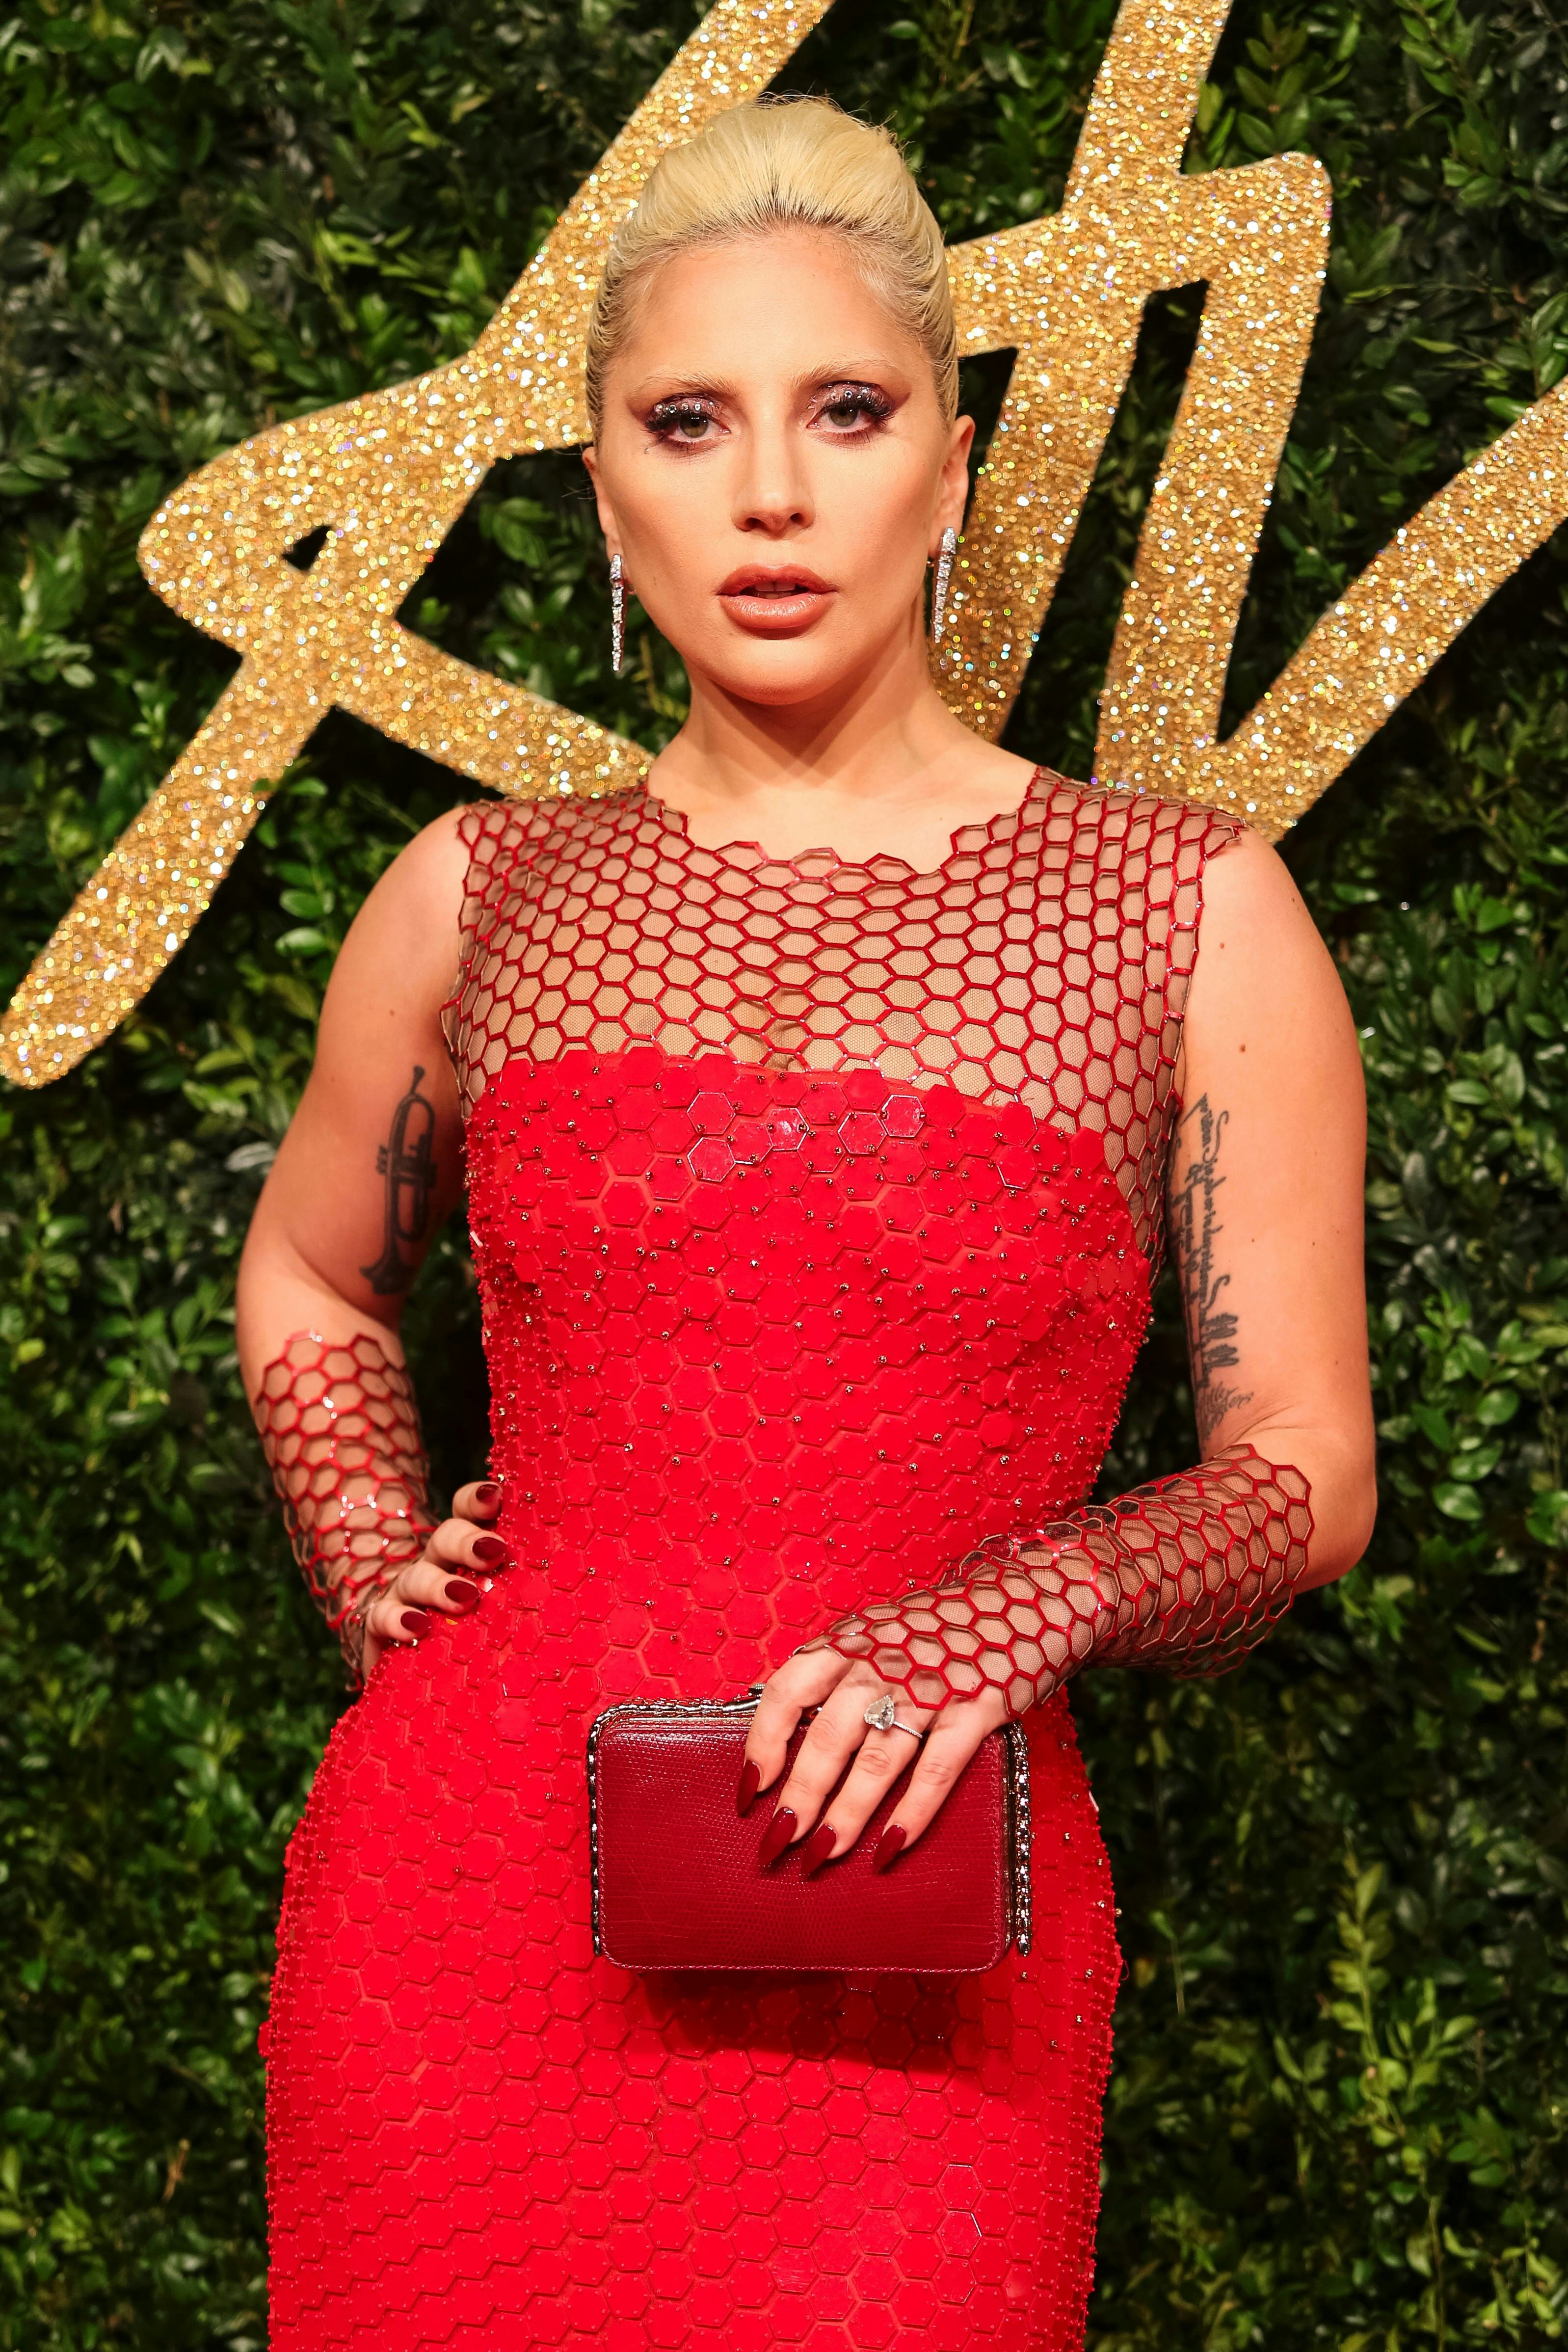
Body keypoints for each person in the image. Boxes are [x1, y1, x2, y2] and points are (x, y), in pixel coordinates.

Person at [237, 95, 1375, 2352]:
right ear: (606, 491)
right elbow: (311, 1271)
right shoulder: (478, 895)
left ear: (950, 469)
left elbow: (1307, 1468)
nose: (770, 490)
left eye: (844, 411)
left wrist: (1008, 1613)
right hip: (461, 1914)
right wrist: (374, 1560)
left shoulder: (1183, 907)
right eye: (689, 421)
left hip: (918, 1935)